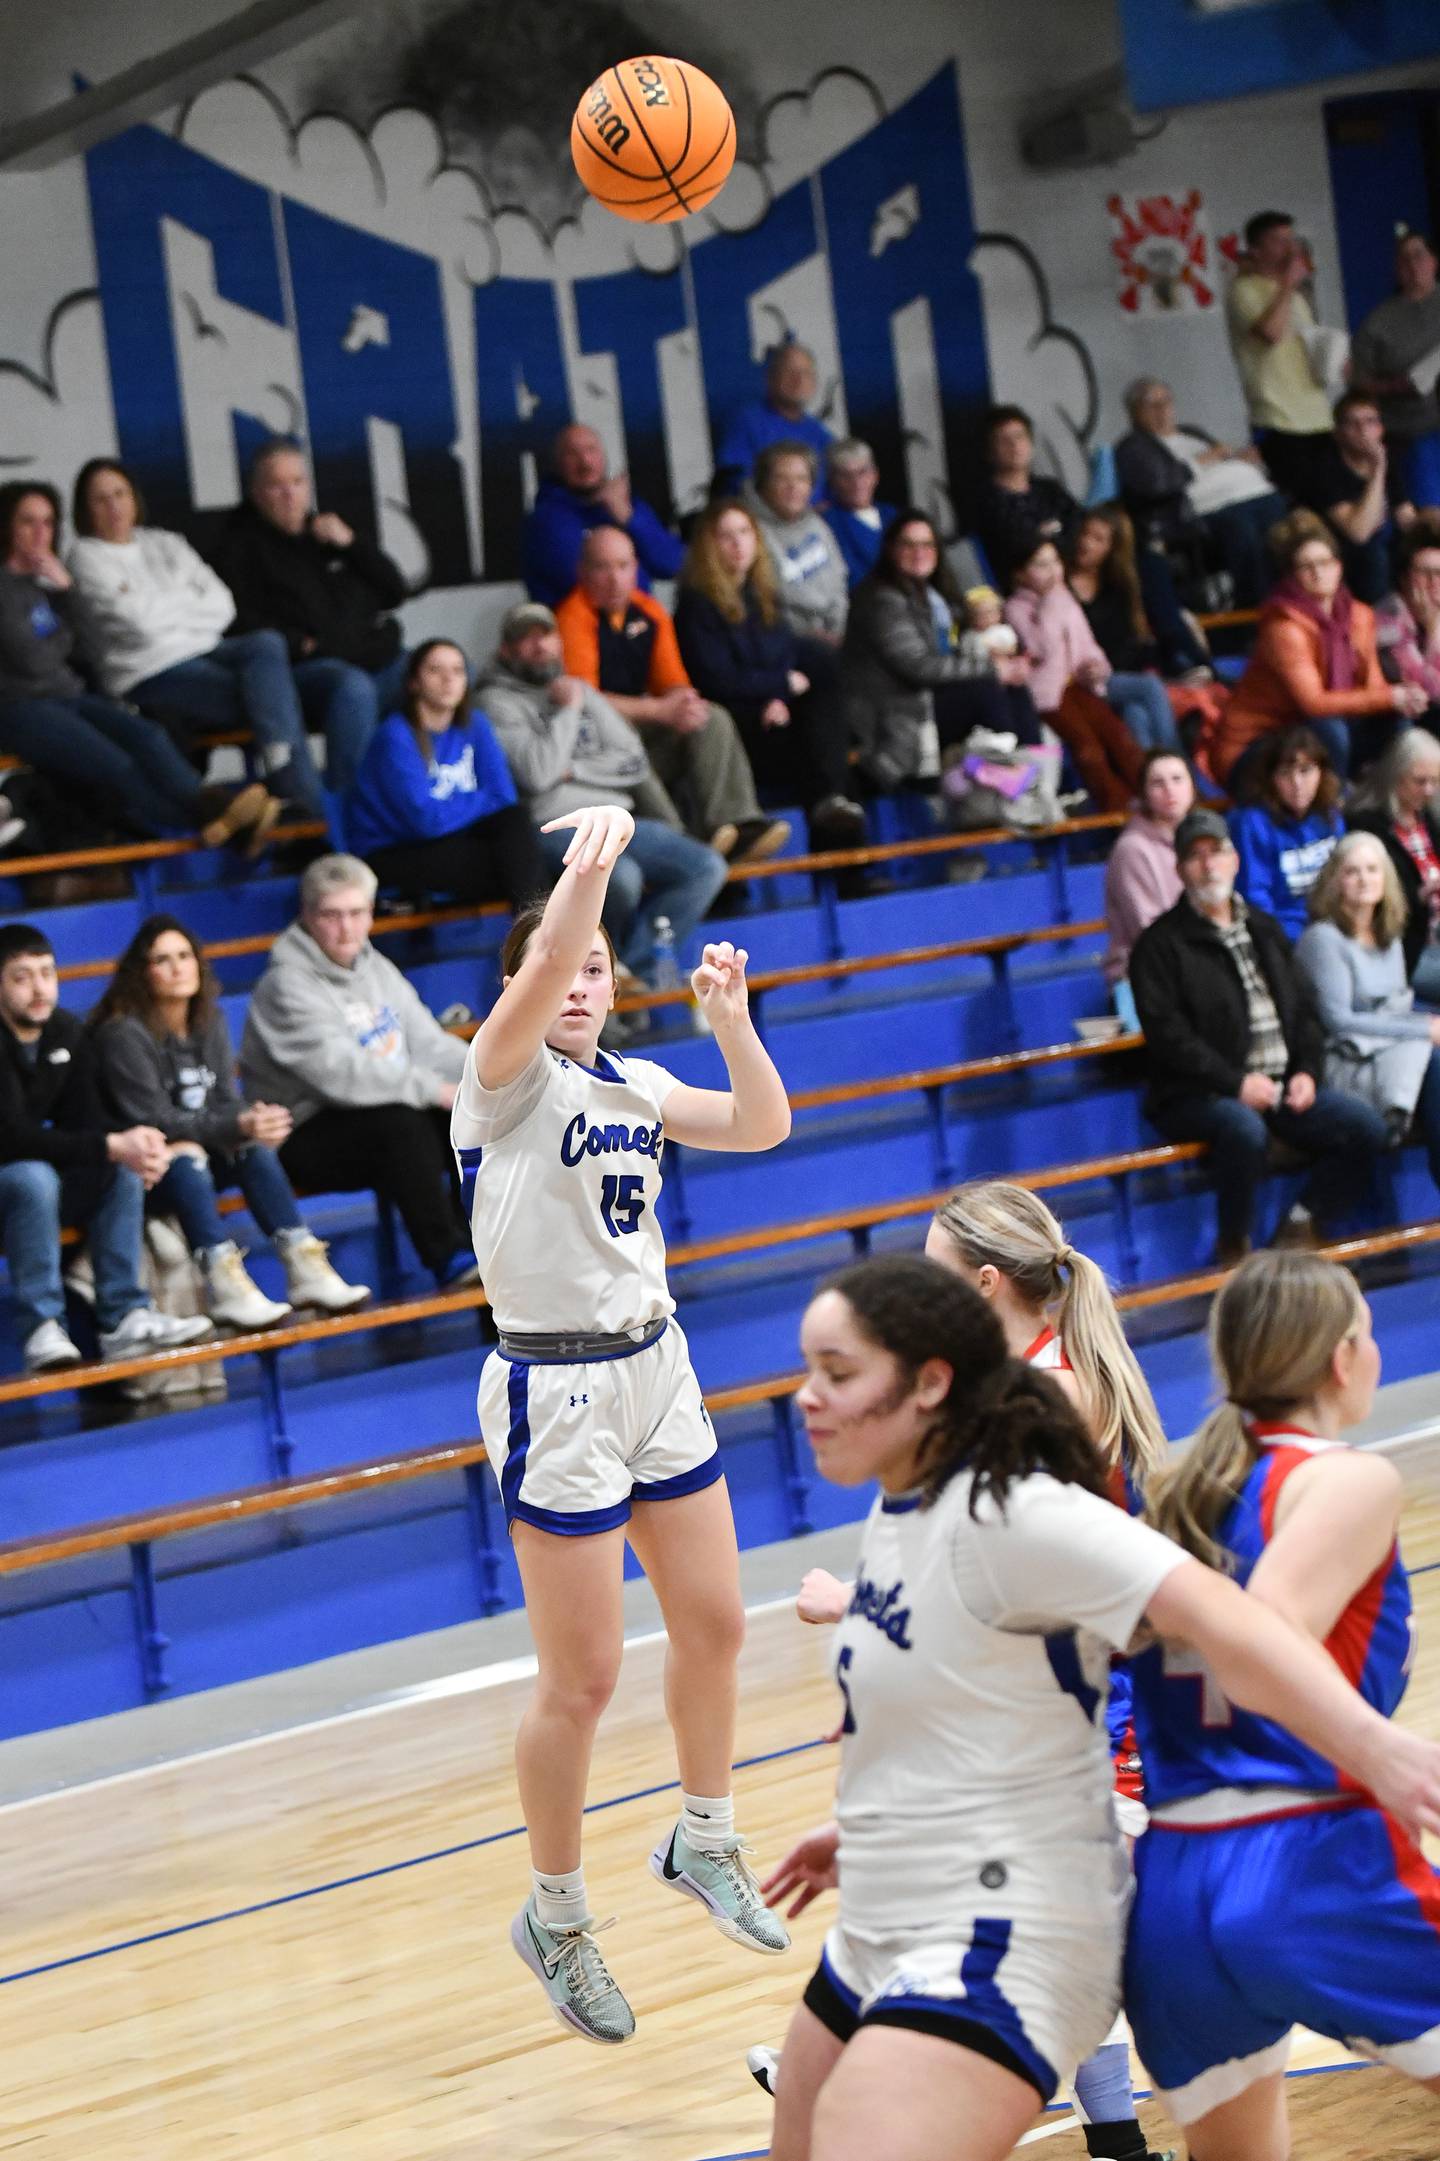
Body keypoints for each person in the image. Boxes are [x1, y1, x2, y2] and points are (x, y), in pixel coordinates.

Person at [761, 1251, 1440, 2161]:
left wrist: (1376, 1747)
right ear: (1342, 1357)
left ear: (931, 1384)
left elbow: (1197, 1639)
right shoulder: (912, 1511)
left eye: (836, 1373)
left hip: (1116, 1893)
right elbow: (1222, 1638)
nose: (804, 1396)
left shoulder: (1126, 1500)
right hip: (1270, 1853)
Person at [453, 803, 792, 2042]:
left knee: (716, 1623)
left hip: (657, 1365)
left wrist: (733, 1027)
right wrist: (589, 863)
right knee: (584, 1678)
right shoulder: (496, 1082)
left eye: (600, 964)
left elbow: (762, 1126)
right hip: (556, 1392)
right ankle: (555, 1913)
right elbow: (545, 962)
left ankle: (704, 1838)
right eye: (562, 963)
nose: (581, 978)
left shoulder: (637, 1082)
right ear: (523, 983)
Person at [759, 1197, 1174, 2161]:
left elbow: (1028, 1582)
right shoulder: (1033, 1386)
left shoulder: (1039, 1405)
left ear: (985, 1286)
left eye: (936, 1267)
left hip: (1081, 1743)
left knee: (1052, 1964)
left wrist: (850, 1605)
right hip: (1024, 1745)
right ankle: (1108, 2132)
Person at [1128, 1250, 1440, 2159]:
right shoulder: (1347, 1478)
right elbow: (1264, 1635)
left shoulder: (1185, 1493)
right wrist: (1380, 1746)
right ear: (1344, 1357)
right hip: (1308, 1857)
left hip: (1175, 1886)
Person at [1129, 807, 1388, 1265]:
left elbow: (1305, 1013)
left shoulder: (1264, 928)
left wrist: (1307, 1070)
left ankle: (1303, 1220)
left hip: (1281, 1084)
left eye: (1218, 852)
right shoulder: (1159, 945)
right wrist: (1235, 1084)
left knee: (1365, 1127)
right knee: (1242, 1129)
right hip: (1199, 1092)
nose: (1209, 865)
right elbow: (1170, 1040)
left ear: (1235, 860)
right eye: (1196, 856)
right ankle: (1235, 1247)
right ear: (1180, 870)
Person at [91, 915, 369, 1328]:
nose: (177, 968)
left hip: (198, 1158)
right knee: (189, 1155)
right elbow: (153, 1120)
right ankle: (222, 1282)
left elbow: (223, 1101)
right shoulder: (122, 1034)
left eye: (185, 956)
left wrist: (250, 1119)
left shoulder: (208, 1020)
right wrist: (236, 1124)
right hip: (140, 1174)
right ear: (141, 973)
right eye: (162, 960)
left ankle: (304, 1265)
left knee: (251, 1147)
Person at [240, 854, 476, 1289]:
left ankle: (492, 1249)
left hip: (374, 1114)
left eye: (356, 913)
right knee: (403, 1122)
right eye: (332, 915)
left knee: (474, 1120)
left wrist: (485, 1077)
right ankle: (448, 1256)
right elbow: (344, 1075)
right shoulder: (286, 985)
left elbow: (428, 1042)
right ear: (308, 916)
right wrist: (435, 1089)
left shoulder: (376, 968)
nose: (346, 928)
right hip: (301, 1131)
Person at [0, 482, 277, 850]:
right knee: (114, 765)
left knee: (150, 737)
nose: (40, 533)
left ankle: (219, 815)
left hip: (70, 697)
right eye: (28, 522)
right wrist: (64, 616)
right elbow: (34, 659)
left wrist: (66, 594)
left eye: (48, 523)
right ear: (7, 526)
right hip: (22, 709)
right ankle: (215, 824)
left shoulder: (50, 582)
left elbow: (86, 649)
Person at [0, 923, 215, 1374]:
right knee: (33, 1175)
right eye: (22, 978)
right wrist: (111, 1143)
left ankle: (124, 1316)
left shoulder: (63, 1032)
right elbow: (10, 1136)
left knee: (121, 1169)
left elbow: (89, 1121)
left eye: (46, 973)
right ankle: (42, 1325)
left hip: (28, 1189)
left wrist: (139, 1146)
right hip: (14, 1182)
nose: (39, 989)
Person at [478, 602, 729, 986]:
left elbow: (634, 761)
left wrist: (573, 769)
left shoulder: (581, 690)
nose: (538, 646)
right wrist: (567, 713)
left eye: (544, 635)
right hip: (556, 825)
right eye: (525, 639)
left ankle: (629, 971)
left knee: (706, 867)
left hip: (620, 821)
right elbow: (538, 773)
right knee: (622, 880)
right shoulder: (495, 703)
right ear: (505, 651)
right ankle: (605, 974)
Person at [66, 458, 326, 818]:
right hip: (148, 672)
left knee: (266, 644)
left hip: (206, 648)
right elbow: (138, 623)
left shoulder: (164, 542)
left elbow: (222, 606)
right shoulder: (85, 557)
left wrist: (158, 609)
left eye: (120, 494)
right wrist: (186, 601)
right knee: (266, 696)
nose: (114, 506)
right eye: (100, 499)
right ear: (84, 509)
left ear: (134, 497)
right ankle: (298, 795)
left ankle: (281, 762)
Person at [554, 525, 771, 858]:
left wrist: (684, 706)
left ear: (636, 568)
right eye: (603, 567)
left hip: (644, 735)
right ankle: (686, 846)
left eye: (624, 566)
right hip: (598, 754)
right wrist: (659, 711)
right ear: (582, 571)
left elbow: (673, 683)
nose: (615, 578)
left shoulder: (649, 611)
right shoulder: (573, 616)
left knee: (710, 717)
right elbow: (586, 700)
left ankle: (734, 827)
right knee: (625, 738)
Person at [210, 441, 410, 798]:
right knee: (353, 689)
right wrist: (300, 642)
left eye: (297, 482)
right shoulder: (237, 546)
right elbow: (234, 621)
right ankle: (351, 805)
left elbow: (394, 591)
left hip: (364, 655)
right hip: (303, 674)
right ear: (256, 493)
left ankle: (430, 794)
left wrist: (351, 543)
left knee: (445, 669)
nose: (289, 494)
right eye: (277, 485)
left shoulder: (328, 533)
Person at [676, 500, 863, 847]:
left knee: (821, 682)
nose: (738, 544)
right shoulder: (696, 604)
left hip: (773, 711)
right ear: (708, 545)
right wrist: (776, 688)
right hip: (737, 725)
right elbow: (715, 680)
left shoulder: (762, 592)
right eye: (726, 536)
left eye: (745, 532)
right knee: (822, 747)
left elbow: (783, 654)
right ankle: (837, 826)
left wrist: (778, 696)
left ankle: (834, 809)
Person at [1210, 513, 1426, 788]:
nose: (1318, 572)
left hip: (1313, 731)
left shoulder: (1359, 615)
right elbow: (1313, 703)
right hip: (1255, 745)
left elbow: (1373, 686)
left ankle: (1384, 807)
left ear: (1339, 566)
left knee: (1396, 721)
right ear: (1293, 576)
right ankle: (1331, 810)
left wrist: (1401, 699)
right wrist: (1390, 696)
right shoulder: (1284, 626)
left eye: (1325, 562)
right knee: (1328, 729)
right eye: (1306, 566)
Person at [843, 511, 1040, 795]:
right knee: (984, 688)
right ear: (890, 549)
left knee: (1014, 688)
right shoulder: (882, 599)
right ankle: (1012, 788)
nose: (919, 553)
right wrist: (992, 668)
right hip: (893, 714)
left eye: (927, 544)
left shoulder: (929, 595)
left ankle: (1035, 783)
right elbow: (920, 667)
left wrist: (1002, 665)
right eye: (908, 544)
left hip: (922, 700)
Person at [346, 639, 548, 909]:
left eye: (457, 671)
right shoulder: (396, 736)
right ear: (413, 682)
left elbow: (505, 799)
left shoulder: (476, 724)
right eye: (435, 670)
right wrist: (481, 799)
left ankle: (536, 938)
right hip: (391, 850)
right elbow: (424, 821)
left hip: (453, 838)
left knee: (516, 824)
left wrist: (470, 804)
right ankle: (539, 941)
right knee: (520, 866)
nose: (448, 680)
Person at [1295, 832, 1440, 1182]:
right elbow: (1338, 1021)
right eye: (1352, 871)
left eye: (1373, 870)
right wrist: (1423, 1028)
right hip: (1345, 1057)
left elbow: (1396, 1004)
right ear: (1335, 881)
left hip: (1389, 1050)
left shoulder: (1387, 931)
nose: (1364, 880)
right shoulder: (1323, 939)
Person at [1003, 540, 1150, 813]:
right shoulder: (1015, 608)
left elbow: (1087, 643)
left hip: (1078, 686)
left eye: (1055, 562)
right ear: (1020, 574)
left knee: (1120, 737)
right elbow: (1039, 648)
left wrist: (1095, 666)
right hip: (1049, 695)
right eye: (1041, 565)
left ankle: (1153, 797)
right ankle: (1119, 810)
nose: (1052, 571)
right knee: (1088, 748)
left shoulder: (1064, 599)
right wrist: (1048, 603)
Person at [1115, 377, 1287, 609]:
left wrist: (1239, 460)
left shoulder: (1191, 432)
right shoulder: (1133, 446)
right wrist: (1202, 459)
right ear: (1134, 412)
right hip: (1204, 512)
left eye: (1166, 401)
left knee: (1291, 531)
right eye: (1151, 404)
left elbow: (1220, 460)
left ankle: (1294, 599)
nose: (1162, 409)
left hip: (1257, 493)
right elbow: (1156, 485)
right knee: (1242, 531)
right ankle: (1261, 611)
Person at [1225, 210, 1338, 505]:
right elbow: (1271, 333)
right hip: (1278, 418)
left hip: (1317, 414)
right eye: (1278, 241)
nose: (1289, 249)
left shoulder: (1297, 297)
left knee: (1330, 503)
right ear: (1255, 250)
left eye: (1291, 240)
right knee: (1298, 504)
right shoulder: (1243, 290)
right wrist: (1288, 283)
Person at [522, 423, 684, 609]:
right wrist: (640, 562)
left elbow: (674, 564)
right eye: (572, 454)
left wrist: (628, 518)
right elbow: (599, 588)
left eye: (591, 450)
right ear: (557, 465)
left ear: (603, 456)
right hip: (575, 633)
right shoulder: (545, 521)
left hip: (632, 630)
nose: (585, 462)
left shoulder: (625, 506)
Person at [1066, 506, 1202, 699]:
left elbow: (1129, 642)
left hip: (1125, 673)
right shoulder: (1061, 585)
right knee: (1151, 688)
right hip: (1089, 677)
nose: (1086, 543)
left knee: (1138, 712)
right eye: (1085, 533)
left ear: (1112, 548)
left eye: (1098, 539)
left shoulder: (1118, 587)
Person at [1350, 228, 1440, 510]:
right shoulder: (1378, 322)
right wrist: (1397, 386)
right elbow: (1358, 381)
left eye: (1419, 255)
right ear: (1396, 269)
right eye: (1404, 259)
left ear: (1433, 261)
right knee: (1431, 513)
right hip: (1414, 431)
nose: (1413, 265)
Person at [1103, 749, 1194, 1028]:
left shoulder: (1198, 840)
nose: (1170, 790)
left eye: (1177, 779)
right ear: (1144, 793)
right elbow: (1150, 933)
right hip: (1149, 979)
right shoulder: (1132, 849)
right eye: (1158, 783)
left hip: (1193, 967)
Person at [1229, 725, 1344, 941]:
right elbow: (1256, 899)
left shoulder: (1331, 815)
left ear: (1321, 772)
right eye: (1285, 773)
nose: (1297, 783)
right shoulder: (1251, 823)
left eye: (1305, 770)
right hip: (1284, 939)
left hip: (1334, 929)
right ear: (1271, 779)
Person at [1348, 727, 1440, 997]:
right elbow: (1371, 903)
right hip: (1409, 947)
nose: (1429, 790)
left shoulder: (1430, 817)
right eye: (1419, 781)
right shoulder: (1367, 825)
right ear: (1395, 777)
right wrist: (1420, 895)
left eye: (1434, 781)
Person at [1301, 390, 1413, 606]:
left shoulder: (1389, 460)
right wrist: (1378, 471)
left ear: (1380, 428)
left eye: (1370, 422)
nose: (1363, 431)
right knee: (1373, 554)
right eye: (1353, 424)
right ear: (1338, 433)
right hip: (1343, 554)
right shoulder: (1326, 471)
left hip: (1386, 544)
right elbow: (1358, 532)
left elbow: (1406, 517)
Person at [750, 443, 850, 645]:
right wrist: (813, 637)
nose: (793, 487)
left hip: (836, 635)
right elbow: (763, 604)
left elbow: (839, 587)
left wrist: (840, 631)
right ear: (763, 485)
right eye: (781, 478)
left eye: (801, 479)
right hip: (789, 641)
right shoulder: (751, 532)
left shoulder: (818, 525)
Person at [714, 341, 834, 500]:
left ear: (814, 382)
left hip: (811, 521)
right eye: (790, 372)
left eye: (806, 373)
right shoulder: (745, 423)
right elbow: (736, 483)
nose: (798, 380)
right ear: (770, 378)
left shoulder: (820, 435)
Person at [1375, 518, 1440, 725]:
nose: (1434, 582)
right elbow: (1426, 691)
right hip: (1403, 718)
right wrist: (1433, 629)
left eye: (1439, 573)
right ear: (1404, 578)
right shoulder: (1388, 617)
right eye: (1424, 573)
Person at [823, 440, 897, 588]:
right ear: (832, 481)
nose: (856, 482)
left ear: (875, 475)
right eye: (845, 475)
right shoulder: (827, 524)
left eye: (862, 472)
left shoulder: (892, 515)